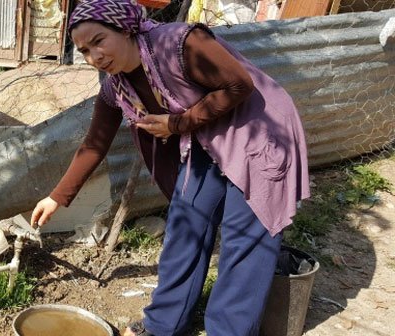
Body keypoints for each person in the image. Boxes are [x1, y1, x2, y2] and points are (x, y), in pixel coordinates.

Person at [31, 0, 310, 335]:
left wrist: (178, 124)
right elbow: (95, 143)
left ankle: (229, 330)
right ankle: (164, 325)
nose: (95, 57)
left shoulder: (179, 43)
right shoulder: (116, 87)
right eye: (84, 50)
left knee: (244, 239)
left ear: (125, 28)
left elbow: (239, 84)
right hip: (205, 139)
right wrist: (57, 198)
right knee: (184, 227)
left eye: (99, 41)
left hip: (258, 132)